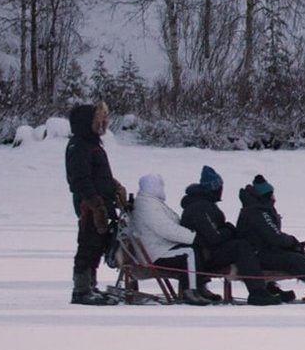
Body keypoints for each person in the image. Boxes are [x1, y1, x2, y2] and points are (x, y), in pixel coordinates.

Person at [178, 165, 286, 306]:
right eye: (219, 186)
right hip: (204, 256)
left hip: (206, 252)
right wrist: (229, 230)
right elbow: (213, 237)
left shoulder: (204, 205)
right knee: (241, 247)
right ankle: (257, 292)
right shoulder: (200, 207)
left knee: (244, 245)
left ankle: (266, 287)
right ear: (213, 187)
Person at [63, 101, 129, 305]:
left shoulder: (92, 145)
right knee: (87, 245)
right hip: (89, 206)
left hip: (101, 203)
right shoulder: (79, 145)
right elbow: (80, 180)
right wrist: (96, 205)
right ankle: (81, 290)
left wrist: (115, 188)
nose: (104, 123)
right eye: (99, 119)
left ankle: (91, 286)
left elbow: (100, 175)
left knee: (97, 246)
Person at [127, 174, 212, 305]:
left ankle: (199, 287)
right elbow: (166, 229)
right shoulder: (148, 205)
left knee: (194, 249)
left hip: (158, 247)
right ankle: (190, 291)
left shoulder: (151, 202)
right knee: (189, 253)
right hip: (156, 253)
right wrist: (193, 237)